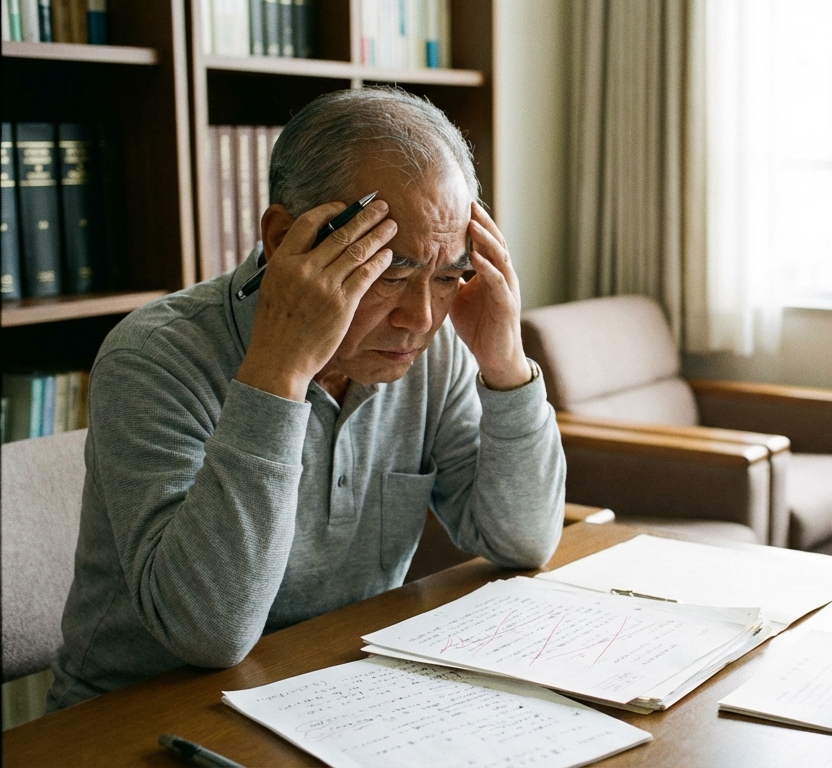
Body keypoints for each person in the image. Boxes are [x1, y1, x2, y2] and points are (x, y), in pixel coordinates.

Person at [48, 88, 566, 709]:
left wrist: (505, 365)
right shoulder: (154, 358)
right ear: (283, 239)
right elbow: (207, 634)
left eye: (448, 274)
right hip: (137, 717)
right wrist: (279, 371)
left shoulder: (436, 345)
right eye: (390, 272)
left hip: (334, 694)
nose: (419, 317)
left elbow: (524, 541)